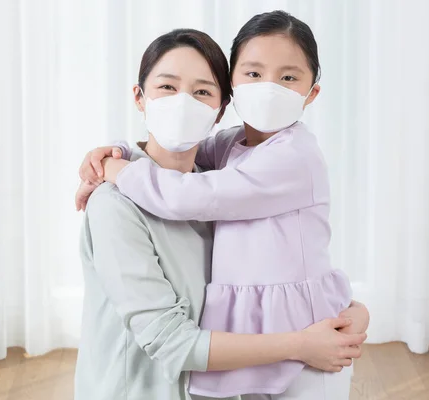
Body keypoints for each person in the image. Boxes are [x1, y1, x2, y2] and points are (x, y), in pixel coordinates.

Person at [77, 11, 369, 400]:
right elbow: (172, 340)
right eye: (166, 86)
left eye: (201, 91)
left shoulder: (284, 161)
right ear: (139, 97)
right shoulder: (225, 155)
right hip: (195, 376)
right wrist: (117, 154)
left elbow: (184, 194)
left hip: (293, 352)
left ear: (220, 106)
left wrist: (115, 167)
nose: (183, 103)